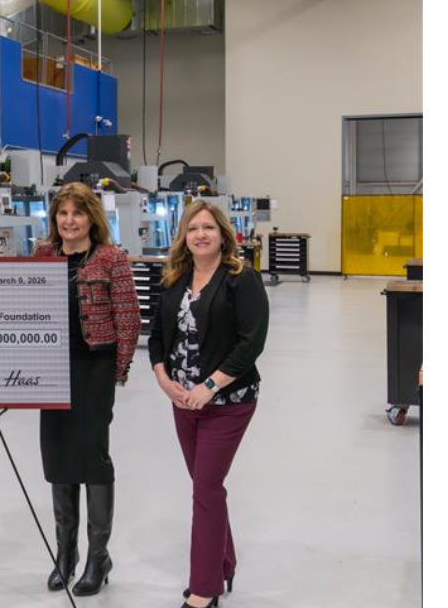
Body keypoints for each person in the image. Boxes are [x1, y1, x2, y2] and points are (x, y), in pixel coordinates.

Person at [147, 200, 269, 608]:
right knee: (207, 487)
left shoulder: (241, 279)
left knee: (205, 486)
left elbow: (251, 342)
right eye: (193, 228)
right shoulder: (172, 280)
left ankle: (204, 589)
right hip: (182, 400)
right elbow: (158, 339)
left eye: (209, 228)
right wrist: (163, 379)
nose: (201, 234)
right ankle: (223, 565)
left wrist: (211, 386)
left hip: (229, 400)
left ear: (223, 235)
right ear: (184, 235)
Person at [33, 181, 141, 596]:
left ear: (91, 218)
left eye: (77, 213)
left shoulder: (112, 259)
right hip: (52, 369)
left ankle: (98, 557)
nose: (69, 220)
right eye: (63, 213)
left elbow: (128, 318)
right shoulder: (43, 256)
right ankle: (65, 555)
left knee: (93, 458)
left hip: (94, 368)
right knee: (58, 456)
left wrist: (117, 371)